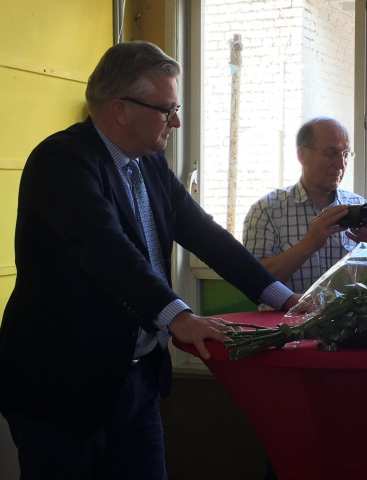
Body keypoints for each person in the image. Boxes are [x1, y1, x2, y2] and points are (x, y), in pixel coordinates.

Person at [0, 41, 297, 479]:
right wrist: (179, 317)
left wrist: (283, 298)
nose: (176, 122)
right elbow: (106, 250)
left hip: (136, 381)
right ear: (120, 110)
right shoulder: (62, 161)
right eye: (166, 110)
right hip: (61, 386)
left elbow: (205, 234)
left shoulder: (150, 164)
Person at [243, 117, 367, 293]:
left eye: (345, 154)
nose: (341, 164)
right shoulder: (266, 211)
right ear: (301, 155)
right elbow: (253, 280)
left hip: (351, 311)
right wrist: (309, 244)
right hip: (288, 311)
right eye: (331, 153)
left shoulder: (364, 209)